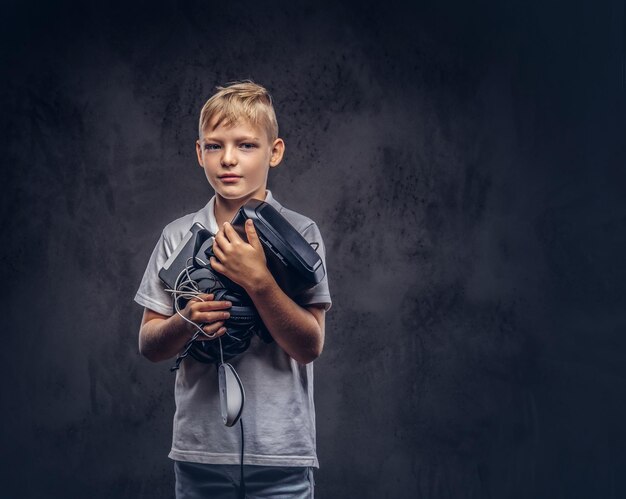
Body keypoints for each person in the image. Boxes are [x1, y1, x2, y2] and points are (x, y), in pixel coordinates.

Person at [134, 80, 332, 499]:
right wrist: (186, 320)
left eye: (245, 145)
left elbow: (310, 345)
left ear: (273, 151)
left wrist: (259, 281)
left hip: (282, 455)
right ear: (198, 152)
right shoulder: (177, 235)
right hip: (200, 452)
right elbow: (150, 344)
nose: (228, 159)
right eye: (213, 146)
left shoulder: (302, 233)